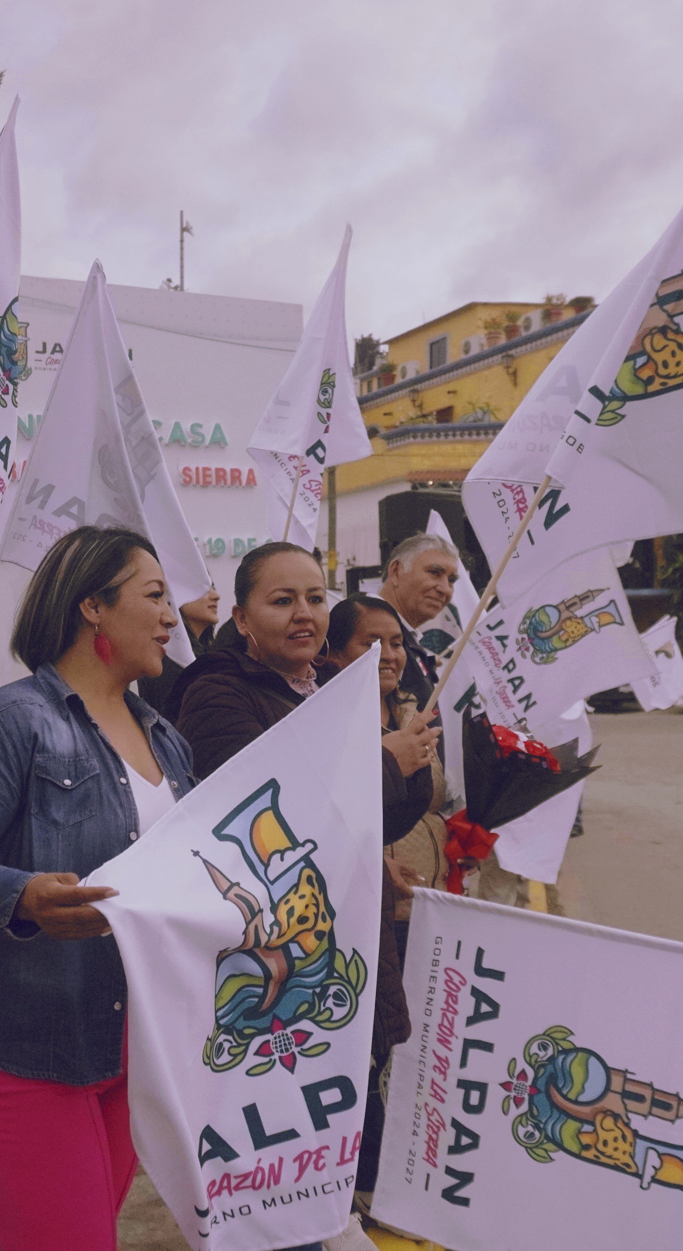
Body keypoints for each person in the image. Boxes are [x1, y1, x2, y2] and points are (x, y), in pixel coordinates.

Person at [0, 526, 195, 1251]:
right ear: (91, 607)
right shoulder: (7, 723)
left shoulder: (167, 739)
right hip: (20, 1051)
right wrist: (24, 897)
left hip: (132, 1052)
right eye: (155, 595)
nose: (174, 616)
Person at [172, 548, 435, 1250]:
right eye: (282, 600)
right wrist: (385, 762)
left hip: (342, 950)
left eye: (316, 599)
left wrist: (404, 770)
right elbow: (266, 815)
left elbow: (369, 819)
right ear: (240, 617)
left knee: (335, 1144)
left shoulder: (326, 690)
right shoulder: (216, 692)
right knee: (281, 1155)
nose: (305, 616)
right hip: (276, 976)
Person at [315, 594, 442, 1230]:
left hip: (381, 903)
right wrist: (390, 759)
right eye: (373, 642)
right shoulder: (326, 715)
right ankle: (355, 1199)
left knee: (380, 1056)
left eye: (396, 643)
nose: (390, 654)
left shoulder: (395, 709)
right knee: (354, 1064)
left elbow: (389, 814)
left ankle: (368, 1193)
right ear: (332, 652)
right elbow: (325, 816)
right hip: (333, 931)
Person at [378, 531, 465, 694]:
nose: (445, 589)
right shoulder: (364, 626)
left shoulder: (406, 637)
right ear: (396, 571)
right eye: (434, 573)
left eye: (451, 580)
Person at [135, 583, 220, 715]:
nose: (216, 596)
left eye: (213, 588)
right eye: (203, 589)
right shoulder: (167, 658)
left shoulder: (210, 655)